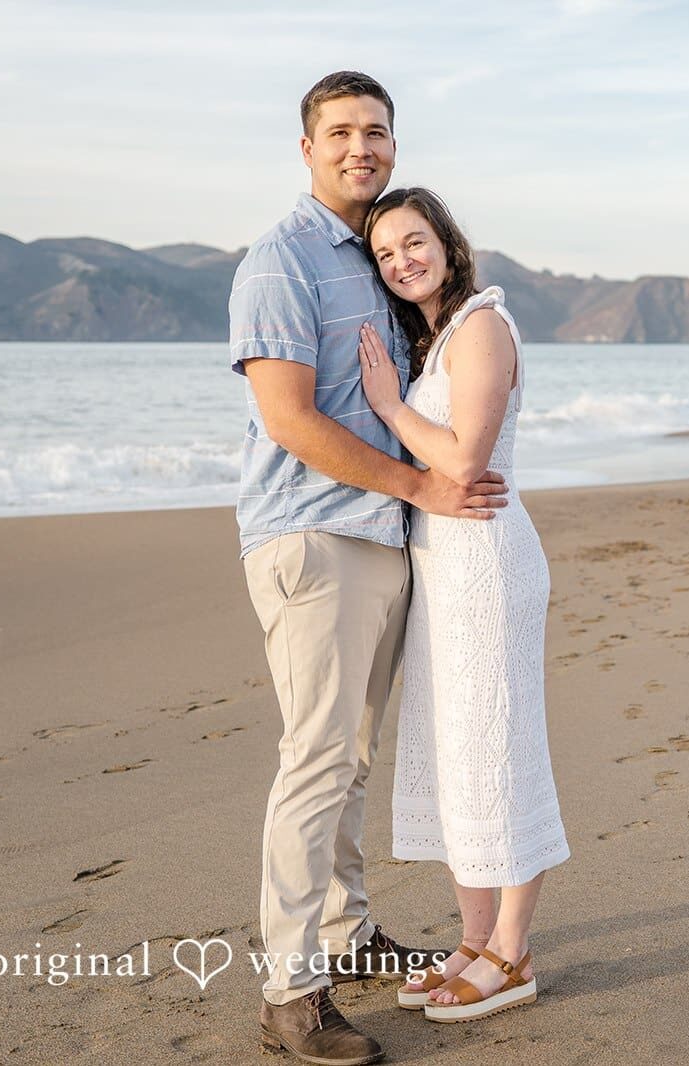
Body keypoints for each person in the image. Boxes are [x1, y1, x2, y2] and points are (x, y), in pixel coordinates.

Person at [231, 71, 509, 1066]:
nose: (362, 147)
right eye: (341, 132)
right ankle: (291, 993)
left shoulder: (379, 257)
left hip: (380, 540)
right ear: (306, 148)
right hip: (313, 535)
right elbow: (289, 418)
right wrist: (422, 485)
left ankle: (346, 937)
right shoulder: (282, 258)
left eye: (377, 132)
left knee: (348, 758)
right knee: (315, 762)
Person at [355, 187, 570, 1023]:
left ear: (447, 242)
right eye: (385, 254)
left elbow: (463, 456)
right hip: (445, 568)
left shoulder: (480, 325)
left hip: (486, 561)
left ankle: (512, 954)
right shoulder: (438, 335)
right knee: (455, 753)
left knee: (499, 748)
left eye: (414, 241)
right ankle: (476, 939)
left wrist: (387, 406)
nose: (402, 260)